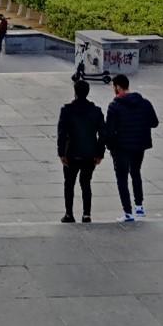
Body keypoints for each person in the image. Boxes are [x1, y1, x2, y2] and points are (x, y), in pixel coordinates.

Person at [105, 73, 159, 222]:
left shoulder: (114, 106)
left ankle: (128, 212)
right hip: (139, 145)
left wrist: (109, 147)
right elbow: (154, 122)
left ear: (118, 87)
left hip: (121, 147)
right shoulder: (145, 103)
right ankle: (139, 206)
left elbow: (109, 131)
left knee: (121, 178)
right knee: (136, 173)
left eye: (114, 87)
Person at [57, 80, 106, 223]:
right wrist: (99, 153)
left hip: (71, 153)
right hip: (90, 154)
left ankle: (69, 214)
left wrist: (61, 153)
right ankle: (86, 214)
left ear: (75, 92)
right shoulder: (96, 111)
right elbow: (103, 134)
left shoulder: (66, 110)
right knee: (86, 183)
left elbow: (61, 133)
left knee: (69, 184)